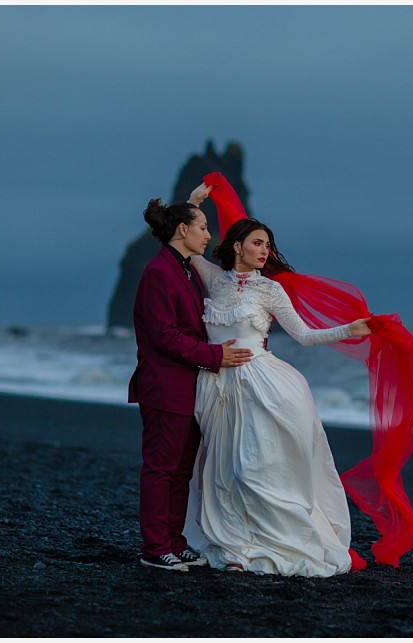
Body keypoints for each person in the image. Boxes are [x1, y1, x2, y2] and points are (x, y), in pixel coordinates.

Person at [180, 194, 372, 576]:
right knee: (220, 473)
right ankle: (234, 550)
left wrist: (348, 330)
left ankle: (273, 541)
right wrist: (191, 202)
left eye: (268, 245)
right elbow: (182, 238)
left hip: (261, 386)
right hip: (216, 386)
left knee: (250, 468)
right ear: (238, 246)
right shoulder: (212, 278)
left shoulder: (270, 290)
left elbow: (304, 335)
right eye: (257, 243)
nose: (265, 251)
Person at [128, 197, 253, 572]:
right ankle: (154, 548)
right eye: (202, 227)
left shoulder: (185, 270)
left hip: (191, 387)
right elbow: (164, 335)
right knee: (161, 469)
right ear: (183, 230)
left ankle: (174, 542)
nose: (208, 235)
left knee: (182, 470)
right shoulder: (159, 272)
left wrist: (194, 200)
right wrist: (216, 356)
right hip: (164, 386)